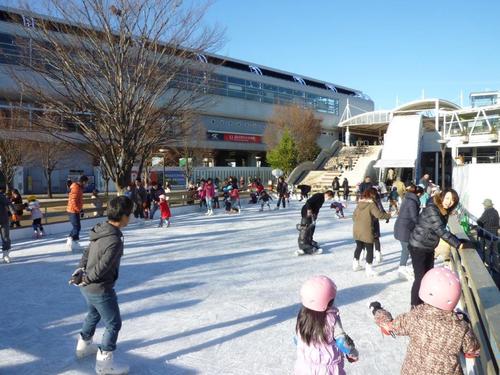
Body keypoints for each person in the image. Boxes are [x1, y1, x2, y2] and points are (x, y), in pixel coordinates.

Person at [369, 267, 480, 375]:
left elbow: (389, 327)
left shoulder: (415, 316)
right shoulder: (460, 327)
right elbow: (472, 351)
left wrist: (378, 311)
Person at [69, 196, 133, 375]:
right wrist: (85, 277)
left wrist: (80, 270)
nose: (131, 217)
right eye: (130, 214)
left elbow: (87, 252)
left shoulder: (101, 229)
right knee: (114, 323)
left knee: (93, 313)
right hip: (100, 288)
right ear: (123, 216)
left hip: (88, 288)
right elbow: (102, 267)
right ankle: (104, 365)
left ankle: (83, 347)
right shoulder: (114, 239)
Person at [408, 189, 463, 307]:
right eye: (447, 198)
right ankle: (414, 306)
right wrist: (458, 244)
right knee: (420, 278)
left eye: (453, 200)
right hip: (418, 246)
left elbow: (442, 229)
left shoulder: (443, 210)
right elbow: (440, 230)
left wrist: (458, 240)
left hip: (428, 246)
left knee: (428, 277)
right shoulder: (432, 209)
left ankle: (425, 303)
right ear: (442, 196)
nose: (449, 202)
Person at [295, 276, 358, 374]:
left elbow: (297, 339)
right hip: (327, 370)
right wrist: (352, 353)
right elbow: (342, 342)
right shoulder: (332, 319)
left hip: (304, 368)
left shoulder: (302, 316)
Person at [352, 188, 392, 276]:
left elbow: (353, 217)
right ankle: (369, 269)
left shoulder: (360, 203)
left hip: (357, 229)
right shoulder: (371, 204)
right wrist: (389, 215)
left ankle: (355, 265)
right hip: (366, 230)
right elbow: (379, 215)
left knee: (359, 247)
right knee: (369, 249)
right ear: (372, 195)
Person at [394, 185, 423, 280]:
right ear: (418, 193)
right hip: (405, 228)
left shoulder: (409, 199)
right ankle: (401, 269)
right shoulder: (412, 202)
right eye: (421, 195)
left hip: (404, 227)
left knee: (407, 249)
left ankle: (403, 266)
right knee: (406, 249)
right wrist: (422, 222)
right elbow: (414, 217)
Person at [66, 175, 88, 251]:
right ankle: (74, 242)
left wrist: (81, 209)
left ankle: (70, 240)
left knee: (76, 226)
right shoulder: (76, 188)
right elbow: (73, 201)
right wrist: (79, 209)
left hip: (74, 210)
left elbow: (78, 201)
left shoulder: (79, 188)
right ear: (83, 182)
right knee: (77, 227)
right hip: (73, 210)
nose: (86, 184)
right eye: (86, 182)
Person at [476, 198, 499, 269]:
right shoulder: (496, 211)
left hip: (487, 234)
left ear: (485, 205)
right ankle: (496, 266)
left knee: (487, 249)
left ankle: (487, 264)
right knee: (495, 251)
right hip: (495, 234)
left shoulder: (487, 212)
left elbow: (480, 221)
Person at [0, 186, 13, 263]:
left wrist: (13, 213)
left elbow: (9, 203)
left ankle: (6, 254)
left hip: (3, 220)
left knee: (5, 238)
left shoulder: (1, 196)